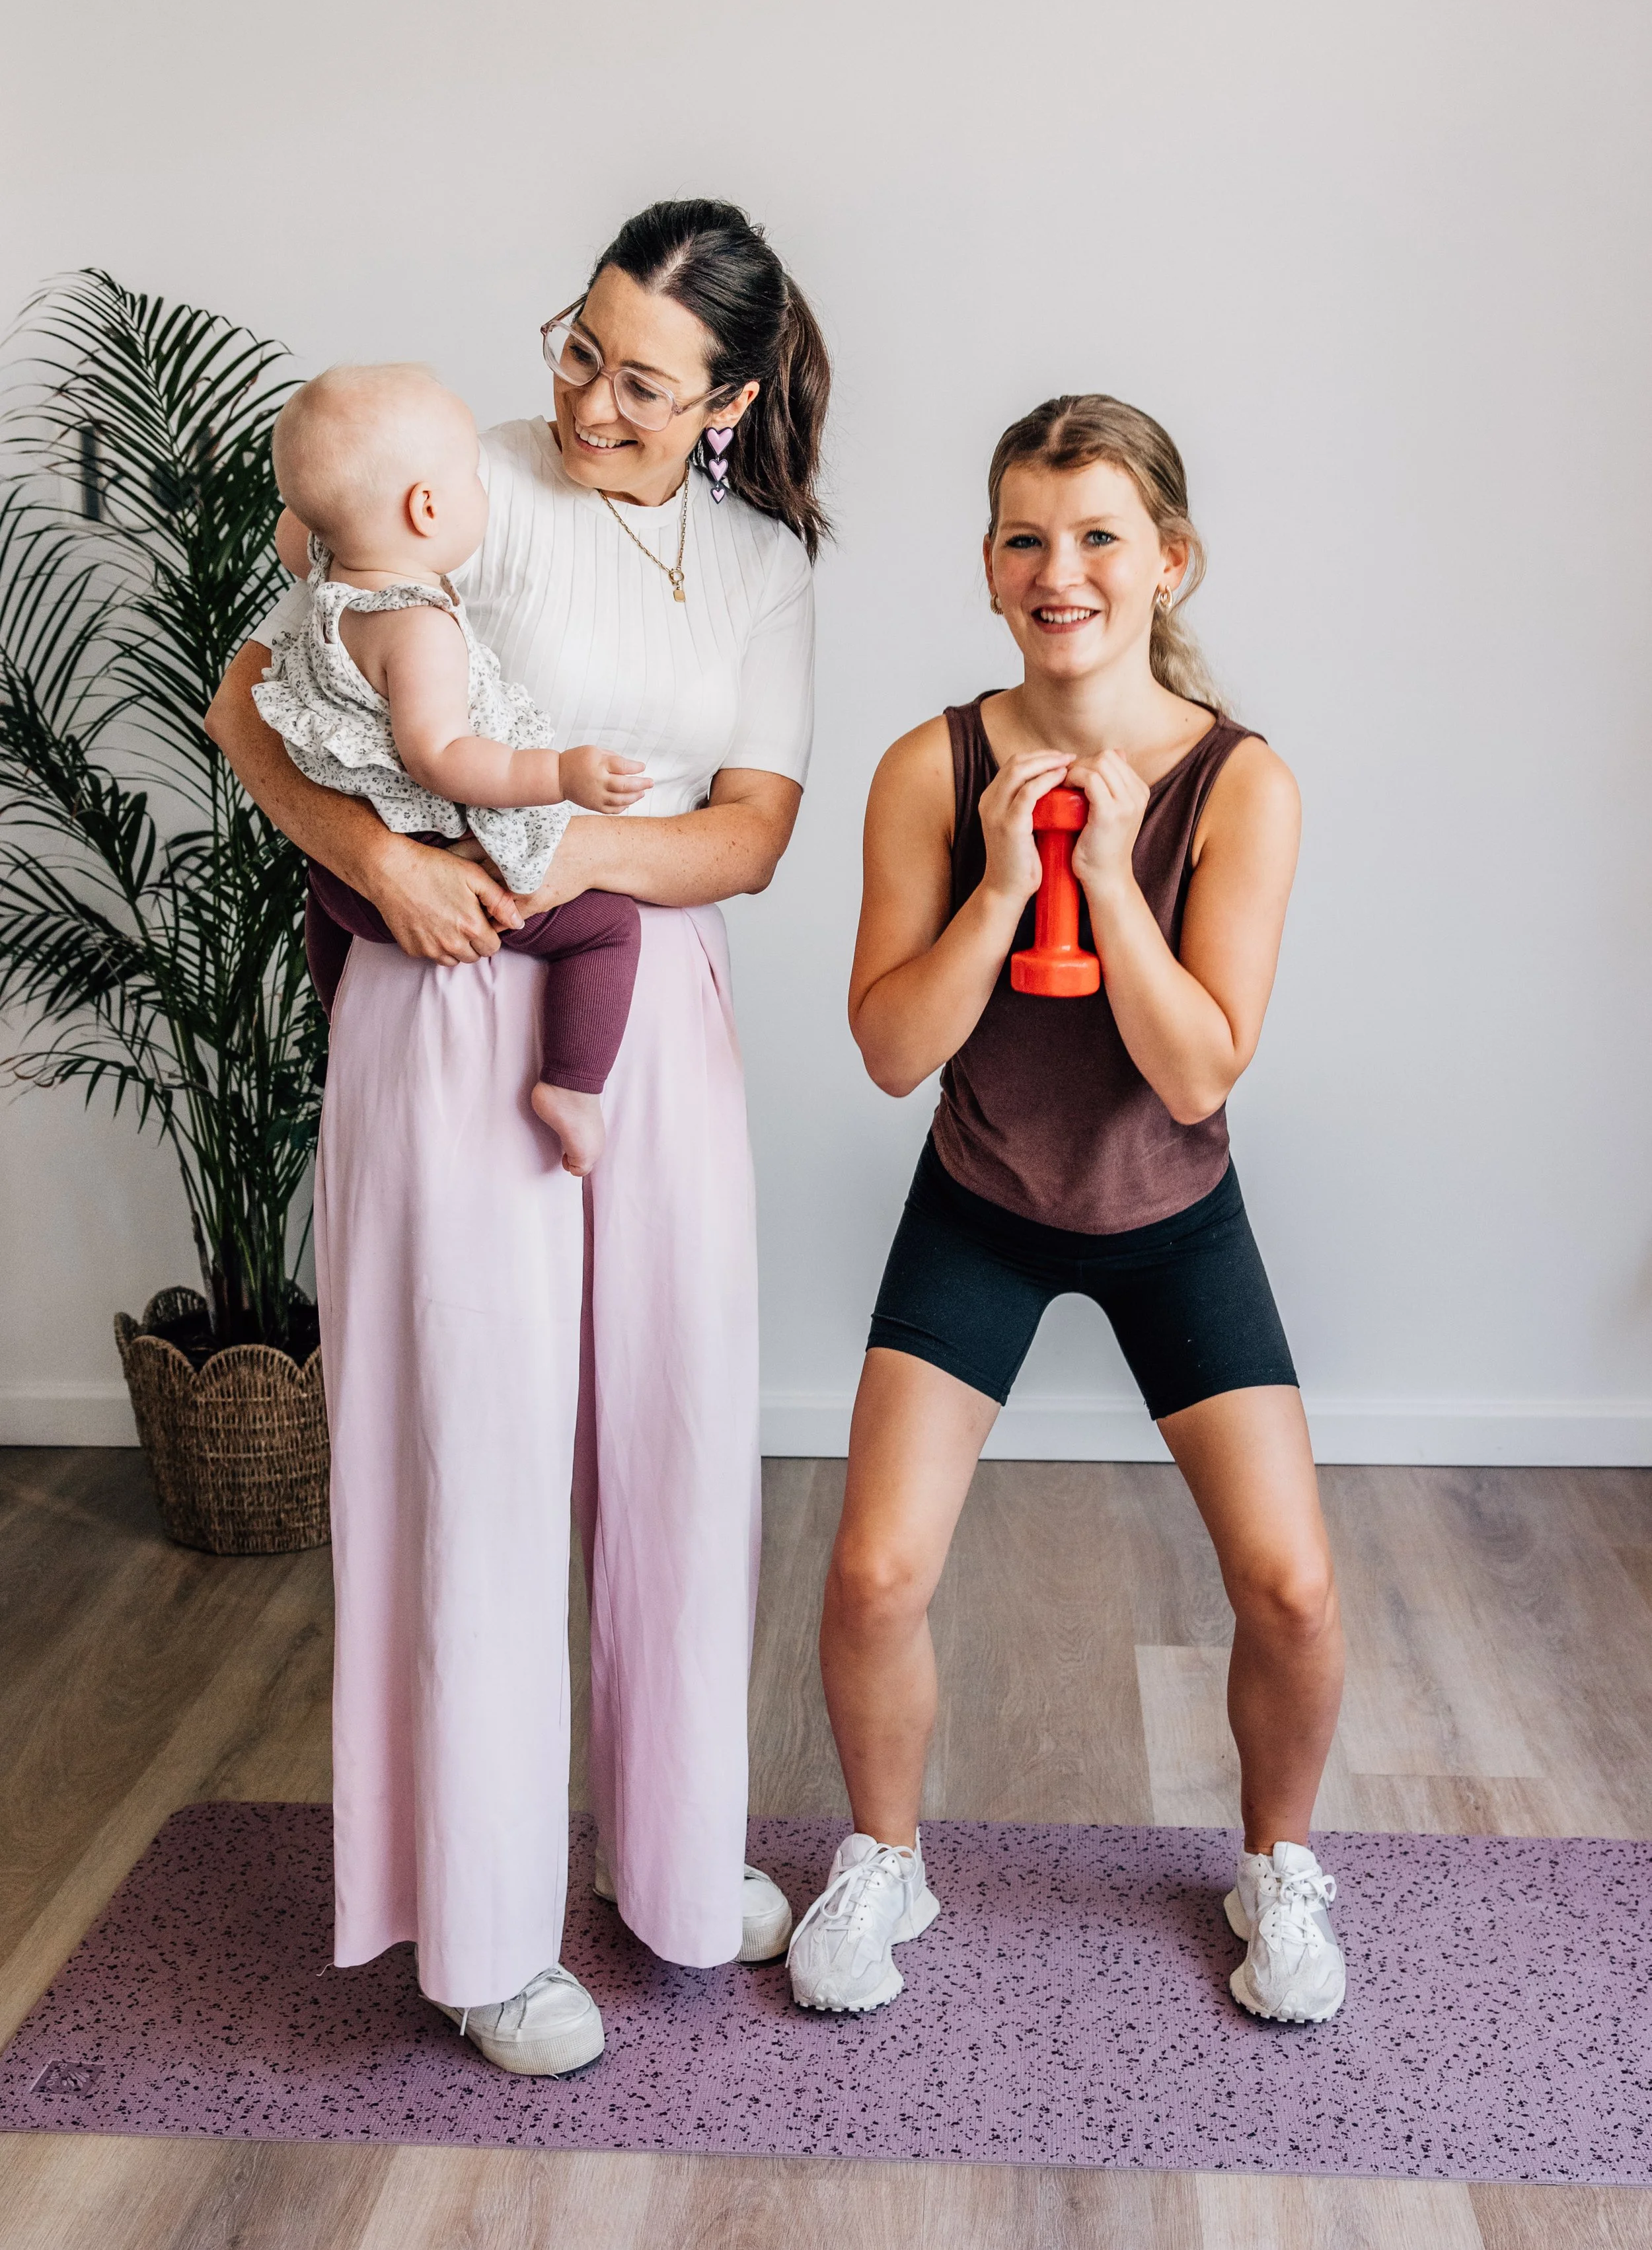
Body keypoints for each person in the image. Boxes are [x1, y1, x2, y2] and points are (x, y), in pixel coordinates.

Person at [206, 199, 827, 2074]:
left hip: (655, 1019)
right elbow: (250, 701)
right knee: (470, 1456)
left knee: (674, 1430)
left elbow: (750, 833)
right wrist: (387, 856)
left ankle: (664, 1852)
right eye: (579, 344)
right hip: (439, 995)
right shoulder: (442, 478)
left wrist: (554, 856)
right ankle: (478, 1929)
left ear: (725, 399)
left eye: (644, 380)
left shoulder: (757, 566)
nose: (589, 395)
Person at [786, 394, 1346, 2028]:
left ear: (1167, 562)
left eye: (1100, 534)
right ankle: (886, 1854)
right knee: (875, 1575)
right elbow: (893, 1049)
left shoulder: (1242, 784)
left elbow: (1194, 1072)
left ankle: (1280, 1862)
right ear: (987, 565)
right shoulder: (930, 764)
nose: (1063, 569)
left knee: (1295, 1587)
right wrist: (1002, 883)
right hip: (983, 1204)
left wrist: (1105, 875)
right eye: (1028, 536)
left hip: (1174, 1212)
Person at [257, 361, 645, 1169]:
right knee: (608, 930)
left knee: (321, 900)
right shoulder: (418, 627)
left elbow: (298, 524)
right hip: (442, 873)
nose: (483, 489)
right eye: (471, 475)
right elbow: (445, 758)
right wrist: (560, 775)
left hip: (344, 886)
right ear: (427, 508)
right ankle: (572, 1085)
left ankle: (344, 1019)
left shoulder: (327, 570)